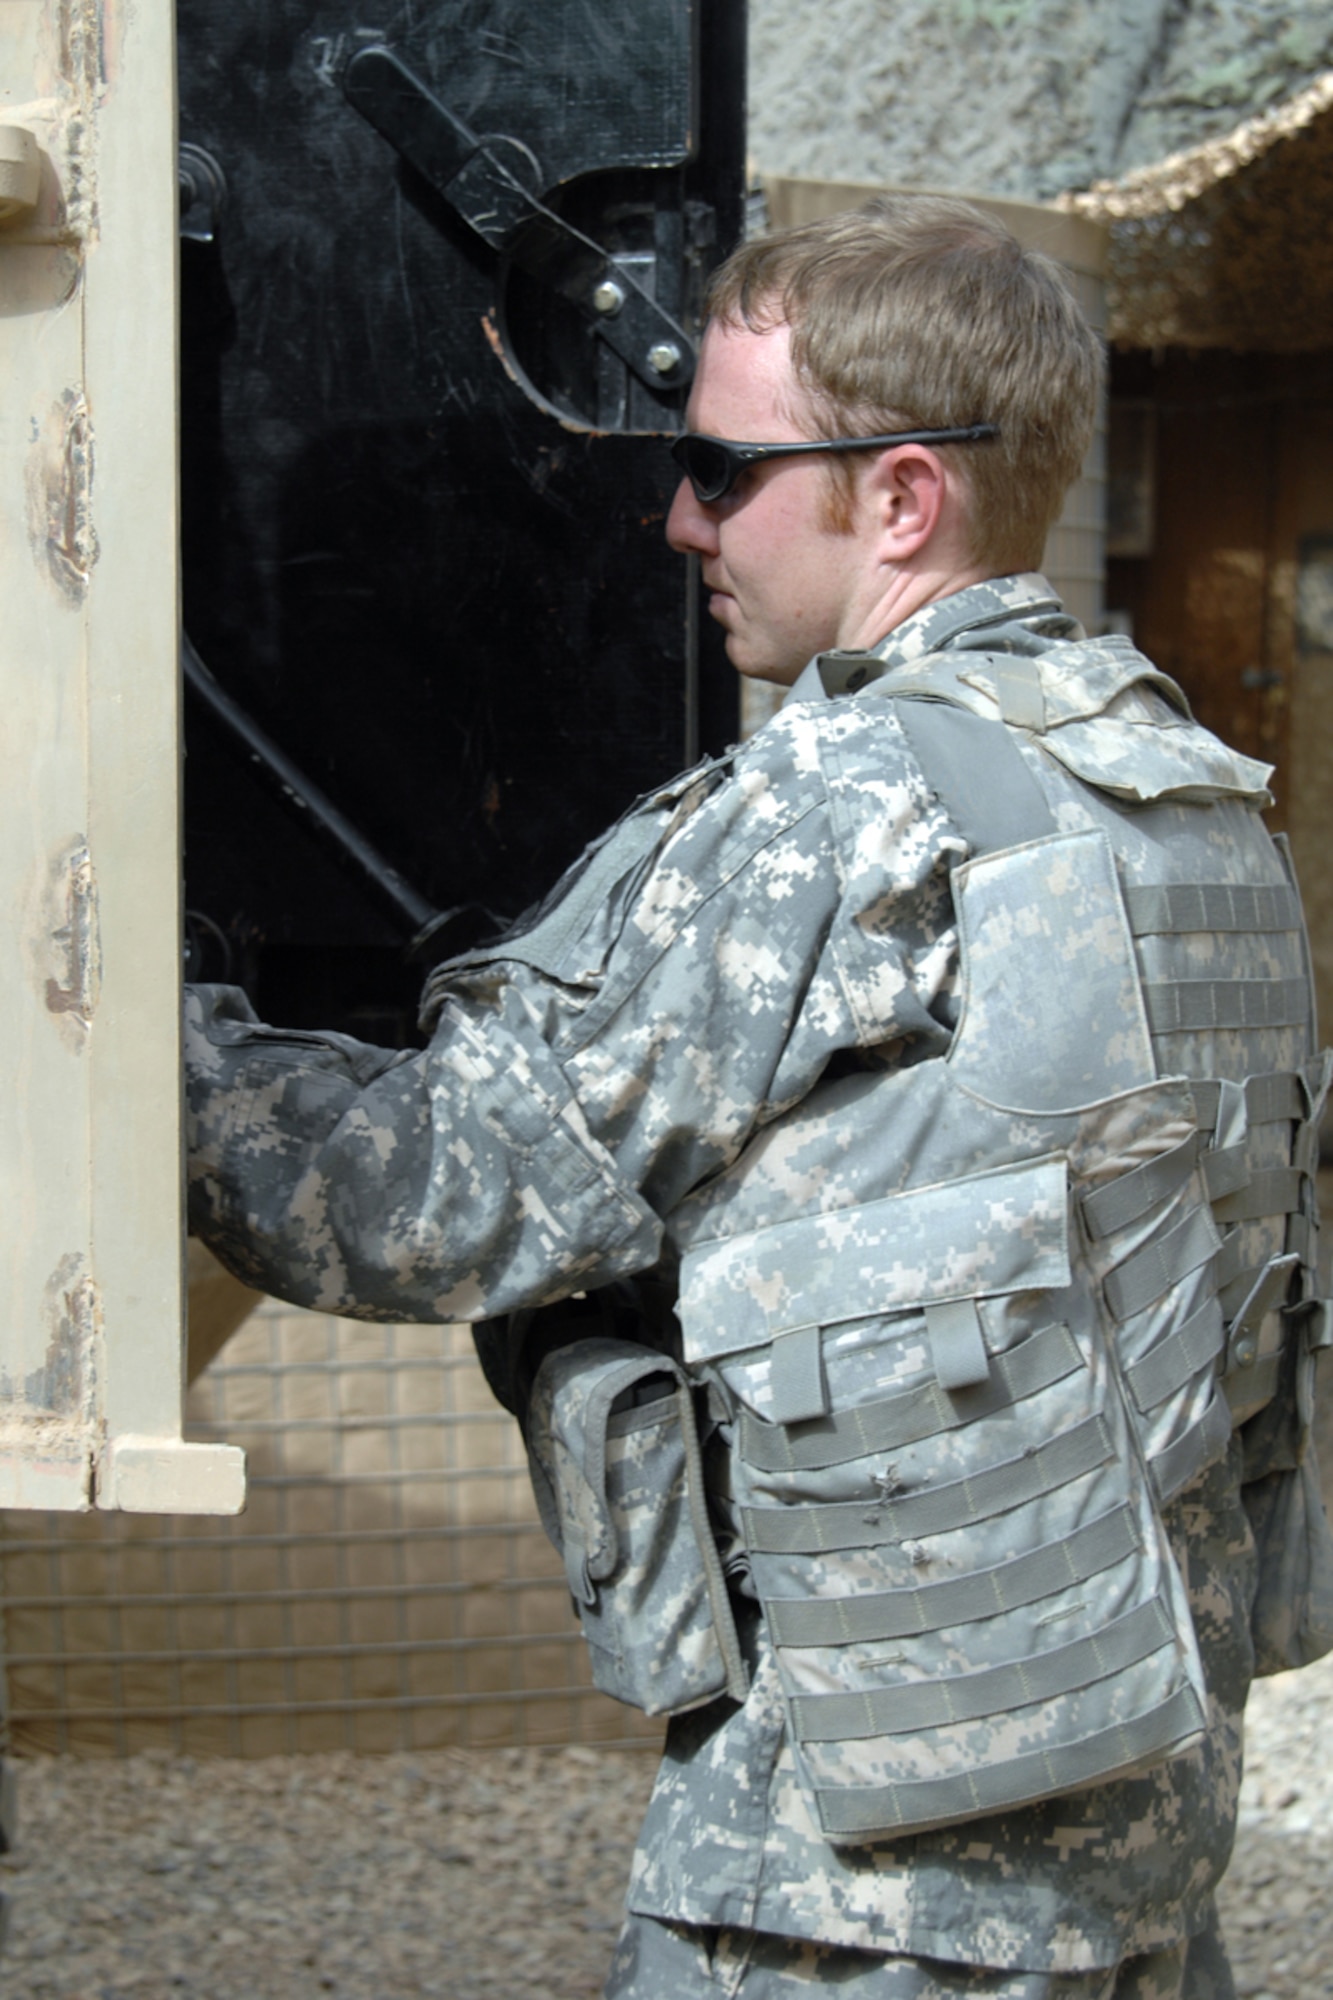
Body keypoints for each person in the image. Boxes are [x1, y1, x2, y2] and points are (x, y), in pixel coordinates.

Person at [186, 194, 1333, 1999]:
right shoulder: (1191, 802)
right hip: (1122, 1837)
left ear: (896, 497)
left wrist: (131, 1036)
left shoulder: (844, 804)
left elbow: (431, 1197)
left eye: (722, 470)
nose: (676, 519)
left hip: (849, 1894)